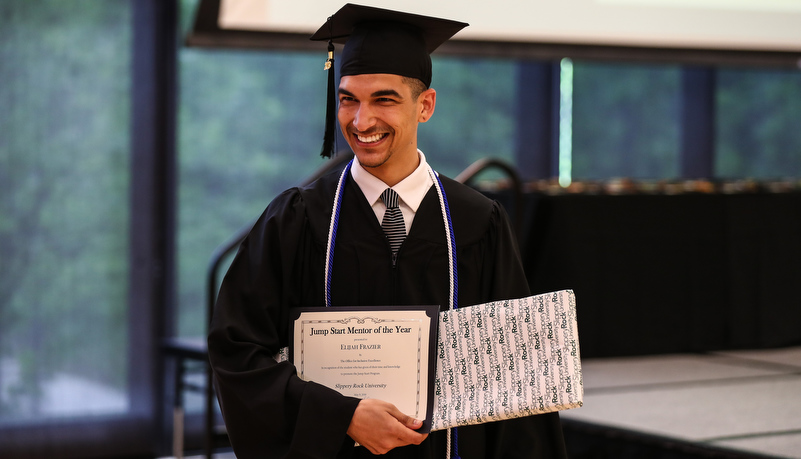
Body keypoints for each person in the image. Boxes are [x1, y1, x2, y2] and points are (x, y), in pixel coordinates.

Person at [208, 4, 568, 458]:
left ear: (425, 105)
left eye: (384, 99)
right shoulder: (298, 220)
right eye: (347, 99)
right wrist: (341, 416)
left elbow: (517, 382)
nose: (361, 121)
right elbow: (237, 354)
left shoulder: (479, 223)